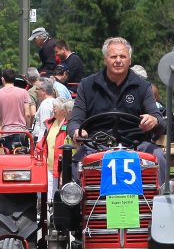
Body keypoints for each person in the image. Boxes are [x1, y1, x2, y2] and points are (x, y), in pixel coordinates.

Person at [70, 38, 166, 176]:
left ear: (130, 60)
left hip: (136, 145)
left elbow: (160, 121)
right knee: (75, 162)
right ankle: (77, 191)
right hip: (96, 145)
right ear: (105, 59)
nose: (118, 60)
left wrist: (154, 121)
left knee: (159, 156)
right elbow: (74, 121)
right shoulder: (86, 86)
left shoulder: (143, 87)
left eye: (123, 56)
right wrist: (77, 132)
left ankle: (159, 191)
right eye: (113, 56)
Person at [0, 67, 32, 149]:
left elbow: (0, 117)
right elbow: (27, 114)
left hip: (6, 132)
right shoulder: (24, 92)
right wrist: (27, 128)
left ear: (3, 79)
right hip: (22, 132)